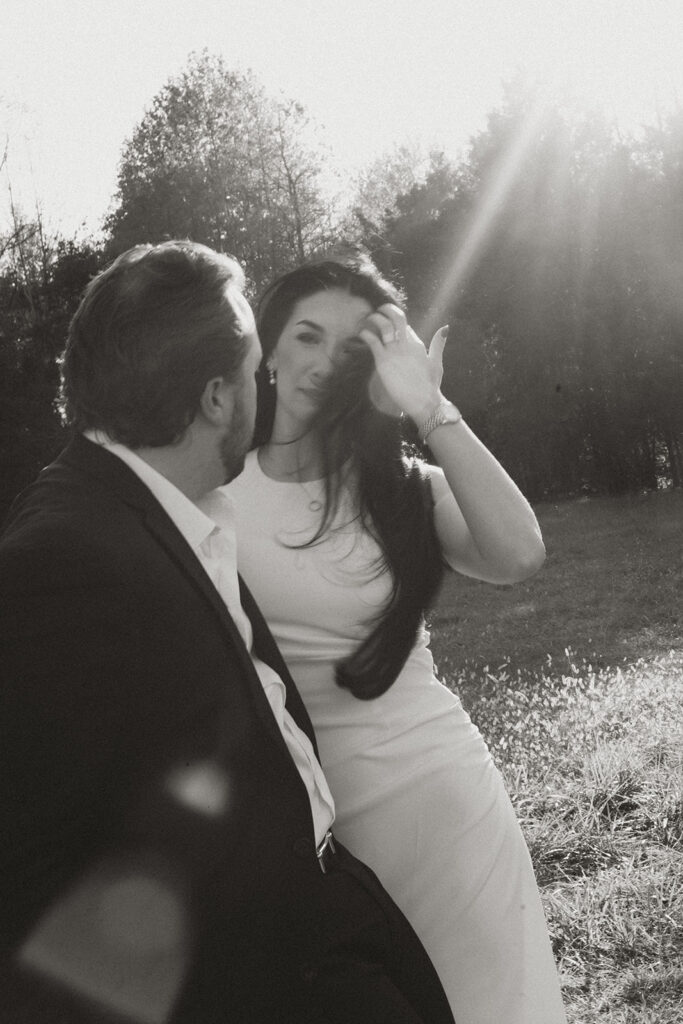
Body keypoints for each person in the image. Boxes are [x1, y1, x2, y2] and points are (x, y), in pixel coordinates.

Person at [0, 241, 456, 1024]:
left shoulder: (174, 507)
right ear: (216, 398)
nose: (264, 384)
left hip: (322, 920)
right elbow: (29, 871)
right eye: (251, 370)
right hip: (249, 977)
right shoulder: (58, 560)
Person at [222, 254, 568, 1024]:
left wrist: (429, 406)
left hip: (441, 805)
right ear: (268, 346)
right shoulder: (209, 494)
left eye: (351, 348)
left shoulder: (402, 488)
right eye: (306, 336)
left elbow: (518, 554)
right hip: (302, 826)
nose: (323, 363)